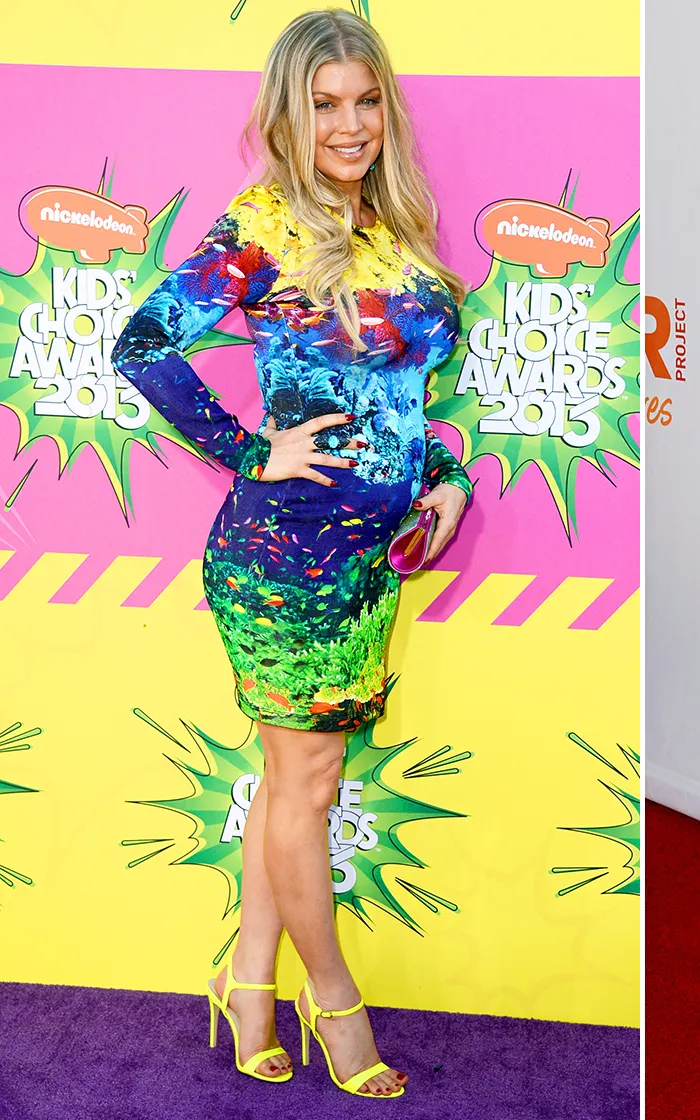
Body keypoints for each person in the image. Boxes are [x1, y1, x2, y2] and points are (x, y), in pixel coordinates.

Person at [112, 9, 471, 1099]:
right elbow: (142, 343)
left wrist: (445, 478)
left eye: (365, 101)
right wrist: (247, 449)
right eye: (324, 105)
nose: (349, 125)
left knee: (294, 785)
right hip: (282, 566)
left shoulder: (394, 228)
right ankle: (337, 1006)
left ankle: (246, 986)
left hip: (369, 567)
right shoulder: (265, 222)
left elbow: (405, 399)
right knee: (306, 787)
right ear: (287, 116)